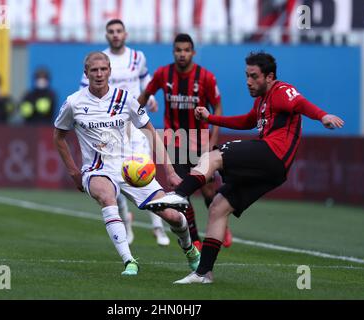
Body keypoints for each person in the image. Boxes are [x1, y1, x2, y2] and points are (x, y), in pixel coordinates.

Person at [145, 51, 345, 284]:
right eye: (246, 75)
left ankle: (179, 195)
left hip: (273, 155)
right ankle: (203, 273)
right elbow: (248, 121)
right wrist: (211, 119)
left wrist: (322, 116)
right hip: (273, 172)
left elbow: (300, 103)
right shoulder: (261, 100)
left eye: (254, 76)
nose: (248, 81)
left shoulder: (281, 91)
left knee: (213, 157)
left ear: (269, 77)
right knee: (218, 207)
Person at [53, 52, 200, 276]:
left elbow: (150, 132)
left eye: (103, 69)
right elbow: (59, 136)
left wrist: (169, 170)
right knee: (107, 197)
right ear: (86, 73)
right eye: (94, 70)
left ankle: (189, 249)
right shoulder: (73, 103)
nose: (99, 74)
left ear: (110, 71)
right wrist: (74, 171)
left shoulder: (125, 98)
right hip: (97, 169)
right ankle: (129, 260)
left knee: (173, 217)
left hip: (131, 168)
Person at [138, 33, 232, 250]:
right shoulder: (163, 73)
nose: (182, 54)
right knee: (182, 191)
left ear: (193, 52)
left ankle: (221, 226)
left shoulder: (205, 77)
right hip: (175, 142)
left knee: (209, 192)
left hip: (201, 142)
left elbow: (217, 107)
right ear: (173, 52)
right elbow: (146, 94)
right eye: (178, 50)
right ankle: (195, 239)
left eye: (186, 50)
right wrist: (132, 112)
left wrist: (213, 140)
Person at [80, 19, 170, 246]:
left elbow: (144, 80)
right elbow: (84, 91)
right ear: (106, 35)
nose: (115, 34)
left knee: (144, 171)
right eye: (111, 31)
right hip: (108, 128)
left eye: (119, 31)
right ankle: (126, 224)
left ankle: (158, 227)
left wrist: (149, 98)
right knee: (114, 177)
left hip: (133, 123)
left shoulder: (137, 57)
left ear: (125, 34)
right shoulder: (99, 60)